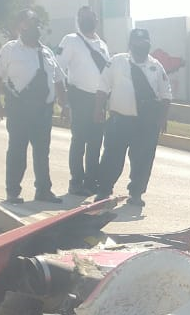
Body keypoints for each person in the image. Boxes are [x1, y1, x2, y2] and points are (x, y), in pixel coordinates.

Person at [0, 10, 68, 204]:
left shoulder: (46, 52)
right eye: (29, 23)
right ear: (19, 26)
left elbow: (58, 79)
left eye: (36, 23)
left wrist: (64, 104)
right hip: (19, 110)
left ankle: (43, 190)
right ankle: (13, 192)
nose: (34, 26)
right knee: (17, 150)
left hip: (43, 111)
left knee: (42, 152)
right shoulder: (10, 49)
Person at [93, 29, 173, 209]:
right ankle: (104, 190)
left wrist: (163, 118)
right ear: (131, 44)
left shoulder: (155, 66)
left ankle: (136, 193)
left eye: (145, 43)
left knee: (143, 160)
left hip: (146, 122)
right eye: (138, 43)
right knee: (112, 157)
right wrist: (98, 110)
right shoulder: (117, 61)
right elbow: (103, 87)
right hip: (120, 119)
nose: (142, 46)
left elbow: (166, 94)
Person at [56, 6, 110, 197]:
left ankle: (90, 182)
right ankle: (76, 182)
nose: (87, 19)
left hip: (99, 100)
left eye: (91, 16)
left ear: (96, 20)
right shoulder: (70, 40)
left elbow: (108, 75)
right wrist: (64, 101)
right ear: (78, 20)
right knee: (79, 141)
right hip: (78, 96)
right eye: (83, 16)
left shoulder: (103, 45)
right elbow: (57, 69)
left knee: (95, 143)